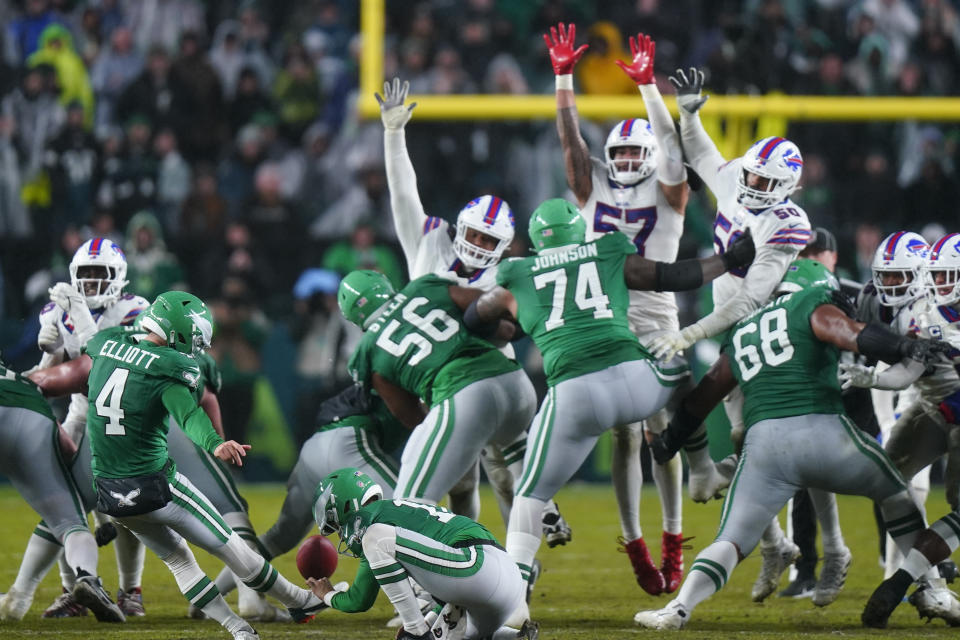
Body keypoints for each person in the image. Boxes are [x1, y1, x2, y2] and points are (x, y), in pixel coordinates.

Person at [465, 198, 755, 624]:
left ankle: (513, 604)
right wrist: (729, 259)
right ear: (578, 233)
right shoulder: (608, 251)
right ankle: (701, 468)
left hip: (574, 395)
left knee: (530, 497)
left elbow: (477, 316)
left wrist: (510, 321)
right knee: (679, 370)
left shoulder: (517, 271)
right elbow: (674, 276)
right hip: (636, 382)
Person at [635, 259, 954, 630]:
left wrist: (669, 442)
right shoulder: (812, 302)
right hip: (823, 431)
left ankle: (678, 608)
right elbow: (847, 331)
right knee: (897, 492)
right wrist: (905, 347)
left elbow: (703, 395)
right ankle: (931, 586)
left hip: (763, 449)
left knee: (732, 540)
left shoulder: (742, 331)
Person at [27, 291, 327, 640]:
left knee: (180, 561)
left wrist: (77, 310)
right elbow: (189, 416)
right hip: (157, 486)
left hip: (110, 494)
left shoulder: (105, 344)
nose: (197, 345)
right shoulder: (169, 367)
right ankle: (302, 601)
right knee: (232, 548)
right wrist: (216, 443)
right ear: (180, 330)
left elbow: (88, 340)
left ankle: (238, 628)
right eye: (196, 335)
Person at [376, 76, 571, 545]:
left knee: (502, 475)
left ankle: (521, 551)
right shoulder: (429, 244)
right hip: (440, 376)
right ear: (460, 228)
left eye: (490, 240)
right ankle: (483, 550)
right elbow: (404, 194)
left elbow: (519, 328)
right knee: (461, 481)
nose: (480, 245)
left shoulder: (509, 274)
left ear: (504, 246)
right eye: (476, 235)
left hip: (487, 376)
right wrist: (394, 133)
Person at [544, 23, 701, 594]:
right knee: (625, 436)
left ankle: (672, 538)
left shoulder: (670, 190)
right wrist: (563, 78)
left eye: (640, 149)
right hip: (606, 318)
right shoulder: (593, 188)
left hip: (658, 317)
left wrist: (648, 89)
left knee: (664, 433)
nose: (632, 157)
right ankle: (635, 541)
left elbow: (673, 146)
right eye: (623, 151)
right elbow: (570, 142)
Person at [650, 67, 814, 602]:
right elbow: (702, 156)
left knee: (758, 444)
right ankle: (776, 544)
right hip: (733, 334)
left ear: (786, 188)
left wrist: (691, 329)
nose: (752, 186)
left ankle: (822, 550)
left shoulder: (784, 224)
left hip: (766, 335)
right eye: (752, 176)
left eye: (766, 182)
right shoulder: (738, 185)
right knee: (746, 441)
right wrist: (690, 113)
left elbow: (749, 300)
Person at [338, 269, 536, 511]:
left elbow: (410, 416)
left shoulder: (367, 351)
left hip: (464, 394)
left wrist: (456, 429)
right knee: (514, 470)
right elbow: (484, 305)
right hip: (516, 382)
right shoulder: (423, 287)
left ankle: (462, 547)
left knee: (409, 505)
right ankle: (536, 523)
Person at [29, 237, 150, 619]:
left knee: (129, 508)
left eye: (102, 273)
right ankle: (74, 591)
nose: (93, 282)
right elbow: (55, 375)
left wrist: (78, 313)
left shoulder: (136, 309)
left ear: (119, 276)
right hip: (82, 412)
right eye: (87, 274)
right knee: (62, 503)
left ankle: (131, 589)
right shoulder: (57, 311)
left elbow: (102, 358)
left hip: (124, 417)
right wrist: (48, 351)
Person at [211, 385, 406, 609]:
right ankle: (425, 604)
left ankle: (212, 597)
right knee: (404, 516)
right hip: (347, 443)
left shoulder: (375, 377)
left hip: (314, 449)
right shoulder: (410, 381)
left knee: (279, 537)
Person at [307, 467, 539, 640]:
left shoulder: (373, 526)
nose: (340, 535)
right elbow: (362, 598)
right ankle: (512, 636)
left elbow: (360, 598)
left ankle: (415, 631)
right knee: (449, 632)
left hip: (475, 567)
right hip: (503, 580)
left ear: (347, 506)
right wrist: (432, 619)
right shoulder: (393, 514)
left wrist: (326, 594)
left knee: (376, 538)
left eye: (337, 526)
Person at [0, 360, 122, 623]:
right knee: (69, 522)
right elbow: (65, 444)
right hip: (34, 414)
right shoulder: (18, 378)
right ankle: (86, 577)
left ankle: (18, 598)